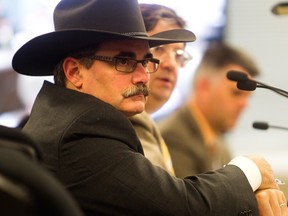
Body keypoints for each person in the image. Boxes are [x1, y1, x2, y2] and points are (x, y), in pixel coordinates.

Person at [11, 0, 287, 215]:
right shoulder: (85, 129)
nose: (144, 76)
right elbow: (180, 207)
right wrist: (250, 169)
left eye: (145, 61)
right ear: (74, 71)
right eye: (124, 61)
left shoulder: (64, 115)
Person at [158, 41, 260, 178]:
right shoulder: (173, 137)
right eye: (236, 93)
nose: (244, 104)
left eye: (248, 97)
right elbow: (191, 199)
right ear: (204, 87)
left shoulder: (218, 142)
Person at [129, 3, 192, 175]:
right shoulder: (130, 122)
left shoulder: (148, 122)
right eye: (159, 49)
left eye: (178, 55)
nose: (171, 64)